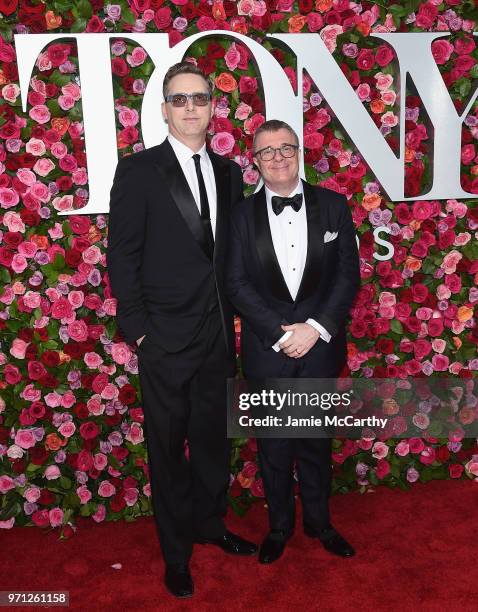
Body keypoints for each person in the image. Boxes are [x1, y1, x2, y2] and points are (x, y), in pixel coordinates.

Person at [106, 62, 257, 599]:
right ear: (165, 109)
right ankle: (176, 554)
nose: (191, 107)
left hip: (217, 336)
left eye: (199, 98)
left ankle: (209, 525)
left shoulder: (230, 174)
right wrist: (140, 332)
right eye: (180, 99)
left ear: (213, 105)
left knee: (214, 442)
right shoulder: (139, 172)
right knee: (168, 450)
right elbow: (122, 256)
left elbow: (232, 259)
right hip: (164, 341)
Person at [226, 119, 360, 564]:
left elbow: (347, 277)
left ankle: (321, 524)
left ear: (299, 152)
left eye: (286, 147)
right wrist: (281, 335)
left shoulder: (334, 206)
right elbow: (236, 282)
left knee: (317, 443)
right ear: (256, 162)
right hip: (270, 350)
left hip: (320, 347)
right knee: (275, 447)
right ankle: (280, 527)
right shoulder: (240, 216)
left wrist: (316, 328)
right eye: (268, 151)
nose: (278, 157)